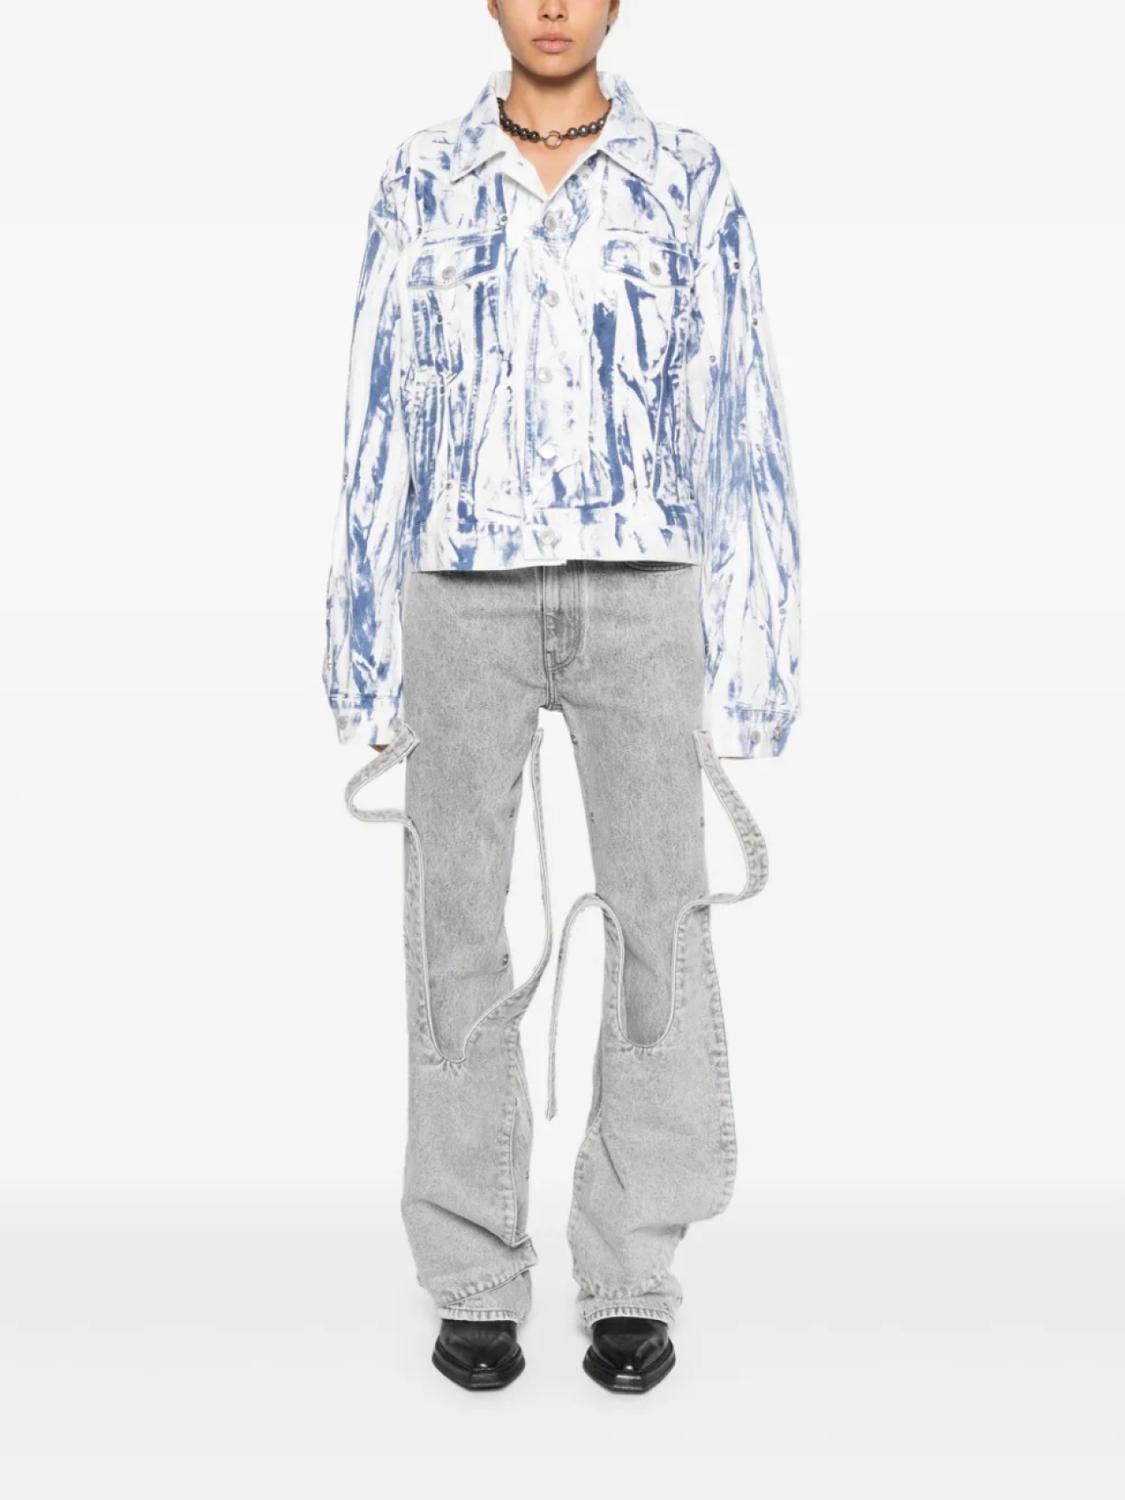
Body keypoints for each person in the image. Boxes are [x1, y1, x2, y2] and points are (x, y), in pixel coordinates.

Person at [322, 0, 801, 1394]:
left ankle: (632, 1265)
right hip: (456, 583)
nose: (551, 6)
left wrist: (755, 654)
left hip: (643, 583)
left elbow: (741, 411)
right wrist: (361, 646)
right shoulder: (422, 174)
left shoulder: (686, 174)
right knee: (455, 931)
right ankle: (473, 1267)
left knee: (660, 919)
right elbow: (375, 412)